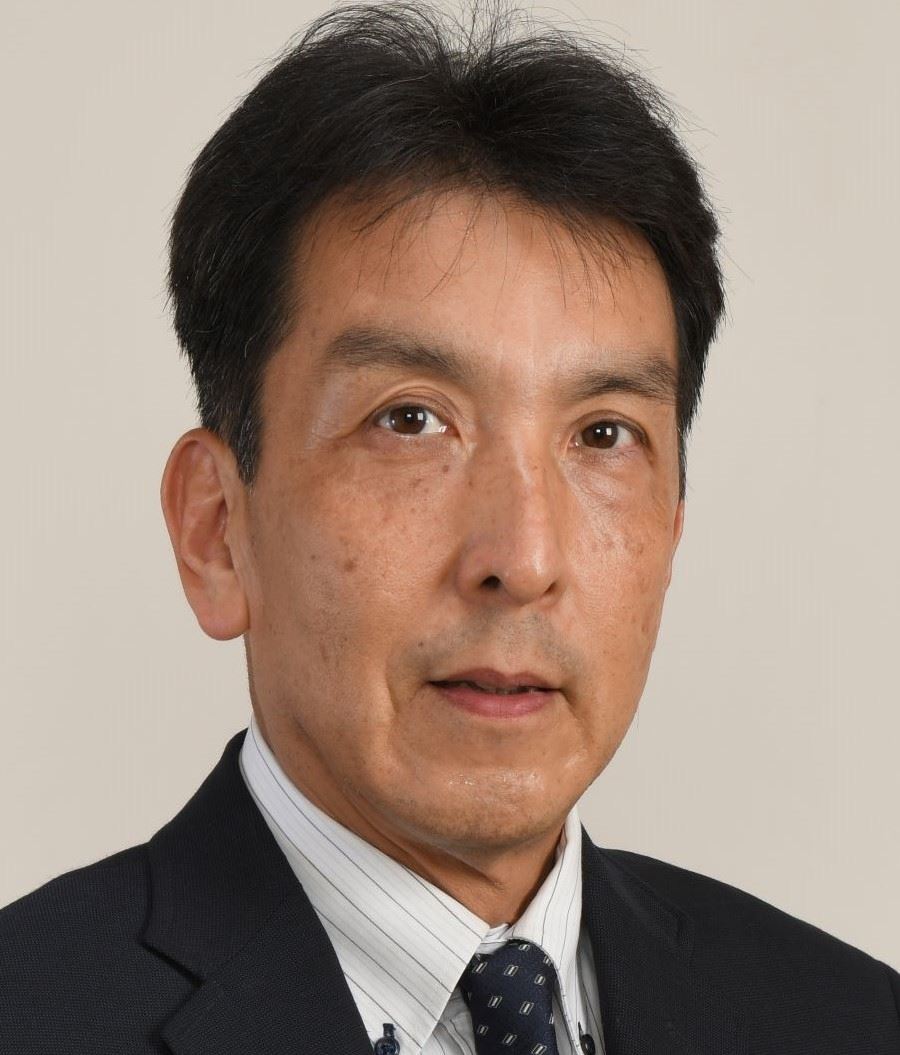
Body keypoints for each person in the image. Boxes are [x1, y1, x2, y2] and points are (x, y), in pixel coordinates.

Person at [1, 3, 897, 1052]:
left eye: (603, 433)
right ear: (216, 530)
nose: (523, 559)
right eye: (411, 420)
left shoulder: (850, 1019)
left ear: (671, 528)